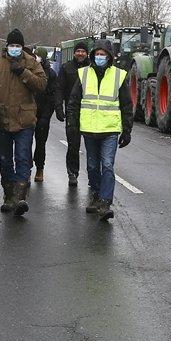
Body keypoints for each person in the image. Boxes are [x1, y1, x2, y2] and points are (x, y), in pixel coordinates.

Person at [0, 29, 47, 216]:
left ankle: (20, 197)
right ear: (7, 46)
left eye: (18, 45)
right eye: (12, 45)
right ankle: (8, 196)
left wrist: (24, 72)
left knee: (23, 157)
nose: (15, 48)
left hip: (25, 120)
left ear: (22, 46)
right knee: (5, 161)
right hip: (1, 119)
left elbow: (41, 85)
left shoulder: (32, 63)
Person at [65, 38, 132, 221]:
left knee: (108, 164)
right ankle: (95, 193)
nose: (100, 57)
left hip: (110, 130)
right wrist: (72, 123)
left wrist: (127, 129)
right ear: (93, 55)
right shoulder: (83, 74)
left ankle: (105, 202)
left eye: (103, 54)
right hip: (89, 129)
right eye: (97, 54)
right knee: (93, 165)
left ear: (109, 57)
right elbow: (74, 102)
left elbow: (126, 104)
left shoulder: (119, 75)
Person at [57, 42, 90, 186]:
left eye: (83, 51)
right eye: (78, 51)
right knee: (73, 145)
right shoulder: (66, 68)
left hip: (90, 112)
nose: (81, 54)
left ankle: (93, 175)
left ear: (87, 53)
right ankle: (72, 173)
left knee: (92, 147)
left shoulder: (92, 69)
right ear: (74, 53)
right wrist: (58, 107)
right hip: (72, 112)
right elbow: (59, 88)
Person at [31, 46, 61, 183]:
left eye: (38, 57)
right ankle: (26, 170)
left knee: (40, 144)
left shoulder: (51, 74)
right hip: (28, 114)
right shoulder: (29, 71)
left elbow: (52, 97)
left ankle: (39, 168)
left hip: (43, 114)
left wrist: (46, 117)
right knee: (25, 144)